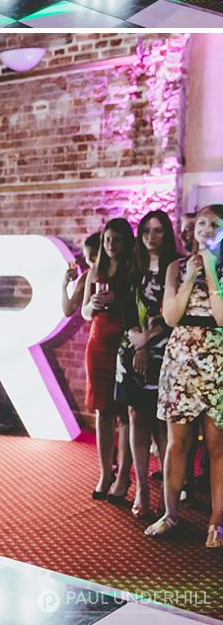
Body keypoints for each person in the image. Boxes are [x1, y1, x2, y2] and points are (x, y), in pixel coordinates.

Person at [147, 205, 223, 548]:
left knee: (217, 448)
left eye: (215, 224)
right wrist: (190, 277)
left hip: (217, 361)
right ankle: (170, 513)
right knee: (177, 443)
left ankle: (216, 524)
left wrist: (210, 273)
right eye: (201, 223)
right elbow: (171, 316)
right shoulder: (176, 267)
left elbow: (221, 318)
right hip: (181, 361)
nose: (206, 229)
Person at [115, 211, 178, 519]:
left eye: (159, 231)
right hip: (132, 348)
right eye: (147, 231)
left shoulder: (176, 267)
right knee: (137, 419)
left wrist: (148, 339)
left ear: (167, 234)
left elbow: (176, 313)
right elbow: (125, 310)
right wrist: (135, 338)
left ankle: (168, 496)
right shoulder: (131, 267)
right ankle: (142, 489)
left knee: (164, 425)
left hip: (165, 351)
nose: (152, 237)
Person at [81, 217, 136, 503]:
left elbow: (140, 312)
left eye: (117, 240)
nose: (112, 245)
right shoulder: (95, 270)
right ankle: (105, 472)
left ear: (127, 242)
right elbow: (84, 313)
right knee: (102, 411)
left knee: (125, 412)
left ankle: (124, 476)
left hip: (125, 344)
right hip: (99, 344)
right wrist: (92, 304)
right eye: (107, 240)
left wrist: (119, 301)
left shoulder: (132, 269)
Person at [61, 232, 100, 318]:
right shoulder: (85, 278)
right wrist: (64, 286)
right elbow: (68, 310)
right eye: (86, 256)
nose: (89, 260)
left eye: (93, 254)